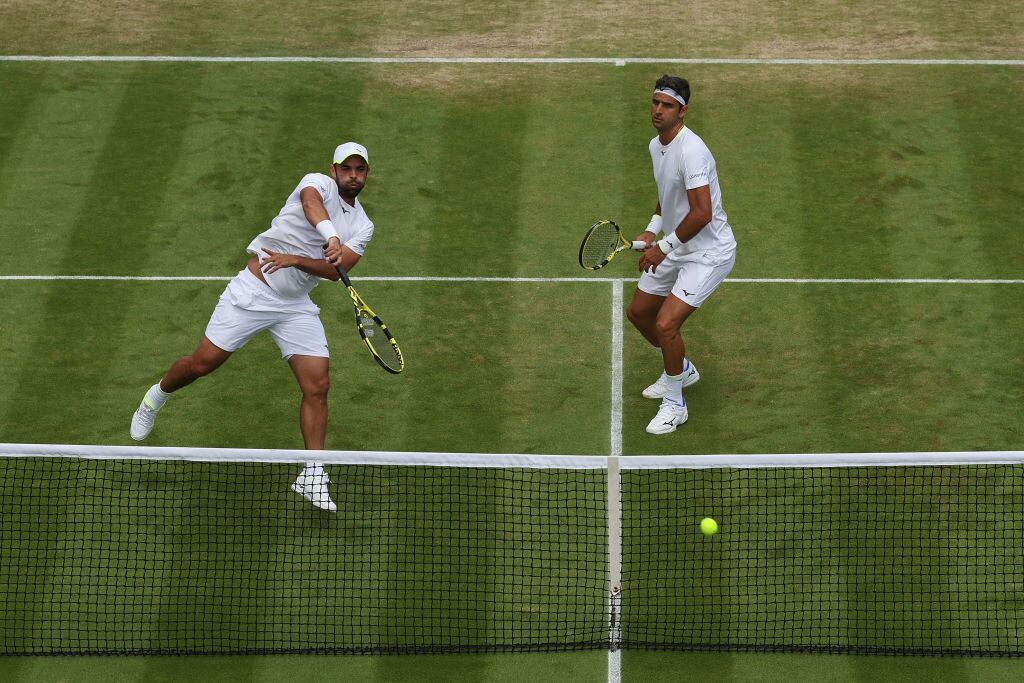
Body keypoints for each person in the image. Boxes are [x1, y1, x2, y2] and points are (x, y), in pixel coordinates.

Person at [129, 142, 376, 511]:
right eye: (347, 168)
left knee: (319, 385)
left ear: (366, 174)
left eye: (360, 170)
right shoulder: (316, 184)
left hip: (295, 306)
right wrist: (331, 238)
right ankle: (155, 397)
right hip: (254, 291)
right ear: (334, 170)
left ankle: (313, 474)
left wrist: (297, 260)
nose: (353, 175)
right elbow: (311, 207)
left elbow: (336, 270)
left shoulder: (364, 225)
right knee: (202, 364)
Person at [626, 76, 737, 435]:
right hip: (677, 242)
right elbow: (667, 193)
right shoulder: (656, 145)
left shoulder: (693, 152)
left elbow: (702, 213)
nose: (658, 110)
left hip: (708, 253)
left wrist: (663, 247)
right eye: (655, 103)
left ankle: (675, 404)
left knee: (665, 324)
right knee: (639, 313)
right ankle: (682, 369)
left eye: (667, 105)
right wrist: (652, 227)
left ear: (682, 111)